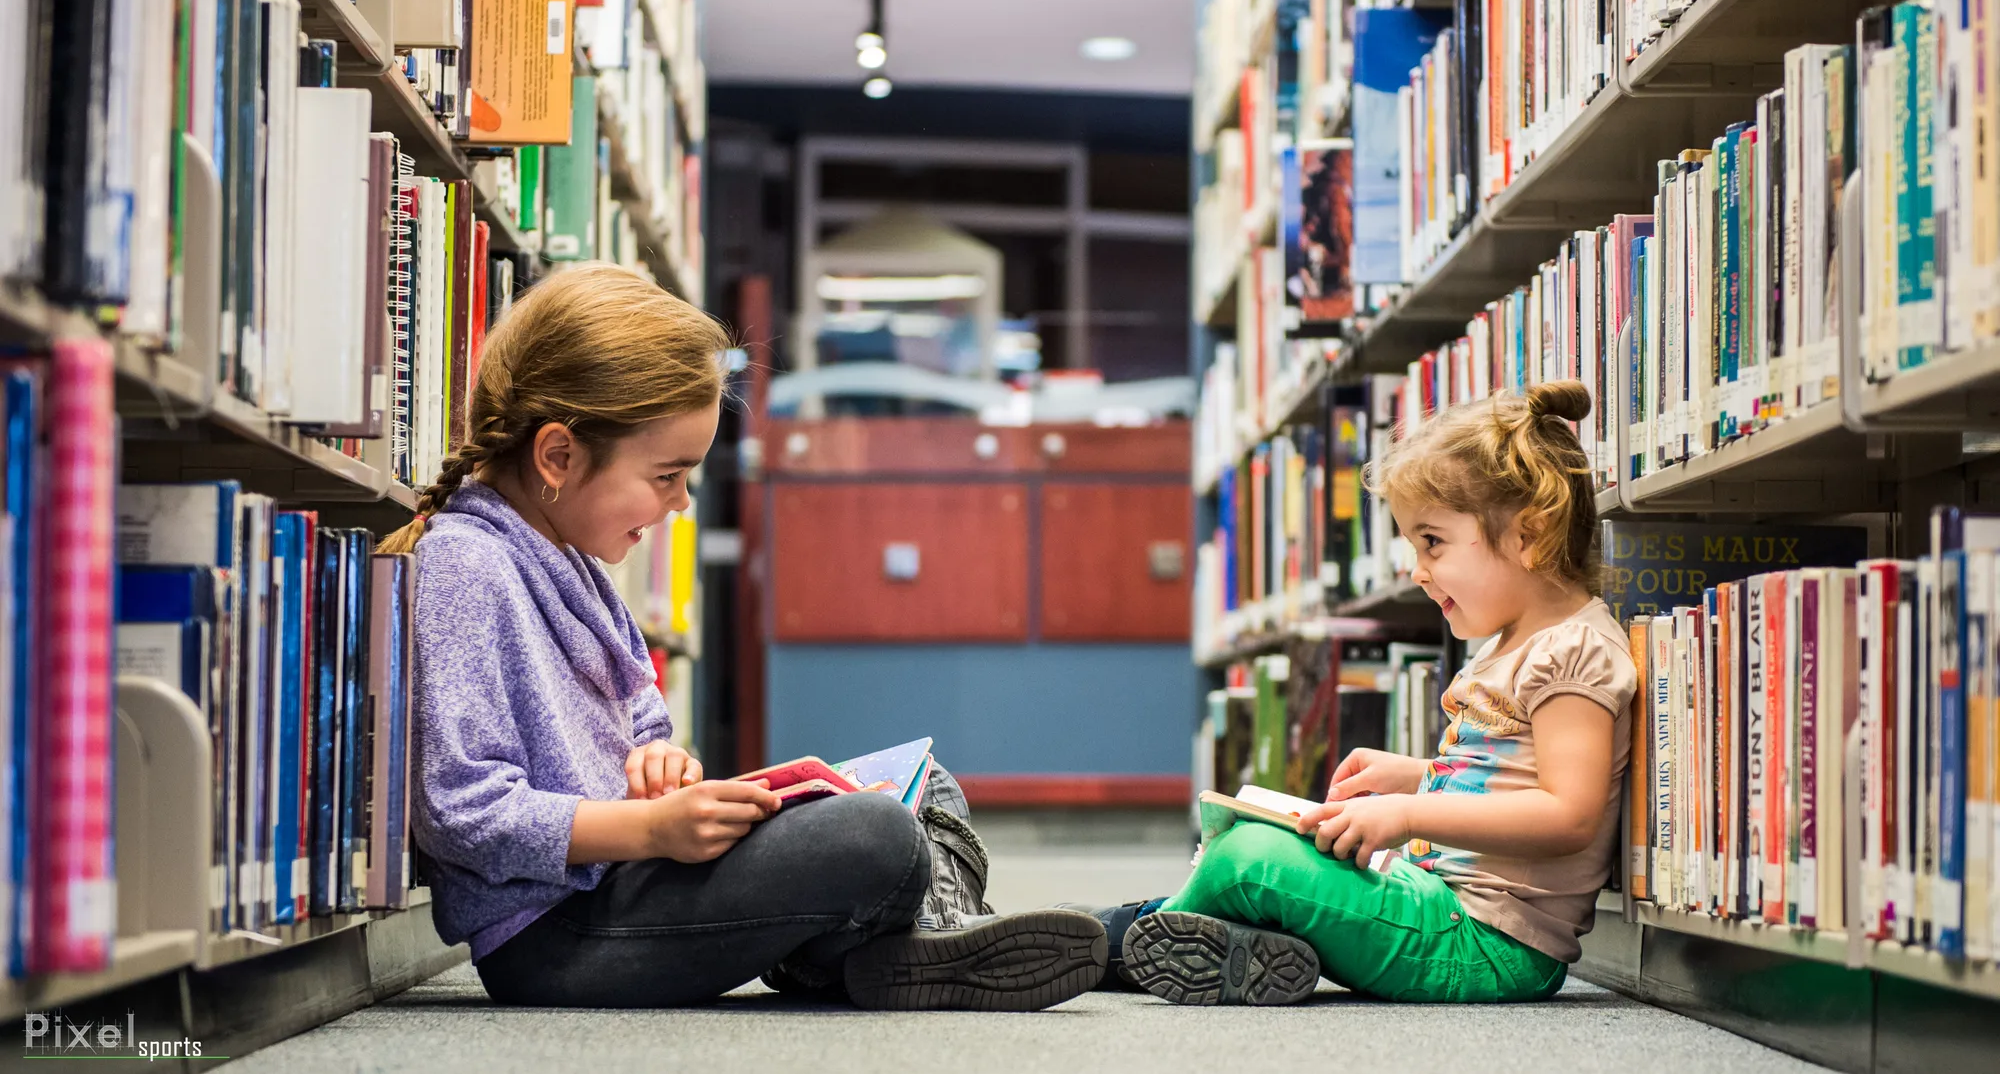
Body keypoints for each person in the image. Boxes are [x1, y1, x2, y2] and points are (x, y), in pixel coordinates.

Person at [381, 264, 1105, 1010]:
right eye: (667, 475)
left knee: (926, 783)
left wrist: (658, 765)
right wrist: (649, 829)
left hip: (629, 880)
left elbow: (641, 725)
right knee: (874, 834)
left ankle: (895, 949)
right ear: (558, 456)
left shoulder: (572, 561)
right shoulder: (466, 566)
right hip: (557, 936)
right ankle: (928, 941)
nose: (681, 501)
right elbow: (460, 811)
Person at [1073, 380, 1636, 1005]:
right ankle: (1197, 939)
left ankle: (1117, 944)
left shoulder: (1575, 653)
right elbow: (1509, 782)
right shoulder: (1515, 643)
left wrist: (1409, 813)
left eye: (1432, 542)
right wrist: (1417, 776)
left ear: (1529, 535)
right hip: (1442, 909)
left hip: (1488, 945)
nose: (1417, 571)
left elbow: (1567, 814)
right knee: (1254, 841)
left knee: (1252, 859)